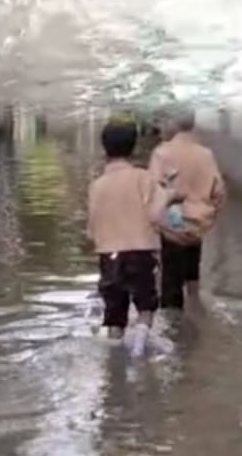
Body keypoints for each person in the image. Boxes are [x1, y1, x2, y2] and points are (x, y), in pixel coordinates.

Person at [86, 118, 169, 356]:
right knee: (146, 305)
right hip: (141, 251)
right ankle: (139, 349)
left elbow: (92, 227)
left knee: (114, 314)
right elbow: (156, 215)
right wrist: (167, 195)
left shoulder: (97, 185)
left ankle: (114, 360)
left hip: (109, 255)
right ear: (133, 147)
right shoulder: (144, 178)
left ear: (105, 148)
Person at [147, 106, 226, 324]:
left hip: (171, 228)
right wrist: (208, 218)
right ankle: (196, 322)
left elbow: (153, 192)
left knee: (170, 285)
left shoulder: (162, 153)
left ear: (173, 122)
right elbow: (219, 193)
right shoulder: (206, 154)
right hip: (197, 227)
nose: (160, 125)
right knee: (192, 280)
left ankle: (177, 338)